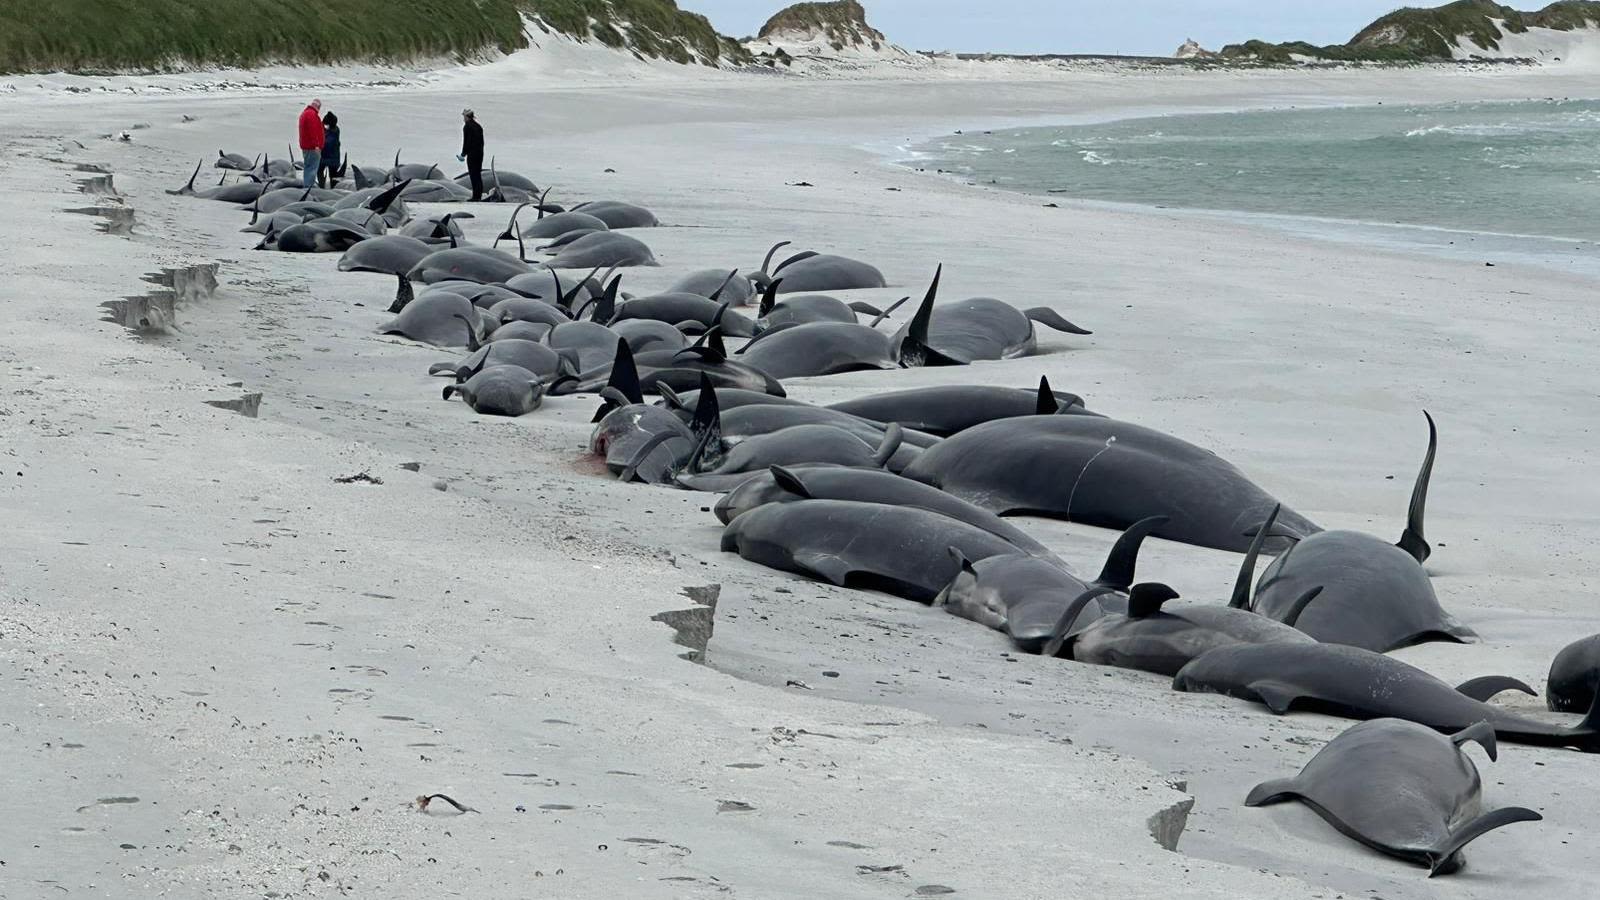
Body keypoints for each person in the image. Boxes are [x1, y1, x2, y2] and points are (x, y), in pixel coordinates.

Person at [458, 108, 484, 201]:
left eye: (464, 116)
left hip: (472, 154)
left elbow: (467, 142)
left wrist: (463, 154)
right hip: (480, 154)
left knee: (473, 174)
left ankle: (475, 197)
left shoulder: (467, 127)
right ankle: (478, 195)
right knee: (478, 174)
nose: (463, 118)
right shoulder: (478, 126)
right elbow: (481, 142)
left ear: (467, 117)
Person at [297, 98, 324, 190]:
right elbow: (313, 131)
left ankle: (307, 186)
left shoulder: (305, 113)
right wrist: (316, 145)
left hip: (306, 146)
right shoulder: (312, 115)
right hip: (311, 147)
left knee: (308, 167)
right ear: (318, 107)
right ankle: (309, 188)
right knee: (312, 168)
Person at [318, 111, 341, 188]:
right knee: (324, 173)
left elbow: (326, 143)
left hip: (328, 157)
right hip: (332, 158)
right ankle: (325, 186)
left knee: (331, 175)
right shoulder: (335, 129)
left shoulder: (332, 132)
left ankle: (324, 186)